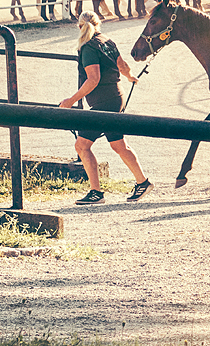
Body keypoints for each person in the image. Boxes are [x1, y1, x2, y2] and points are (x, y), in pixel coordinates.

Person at [59, 11, 149, 204]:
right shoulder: (107, 41)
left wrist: (71, 100)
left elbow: (93, 79)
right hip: (116, 97)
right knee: (118, 144)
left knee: (82, 145)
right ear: (98, 24)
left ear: (80, 27)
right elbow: (122, 65)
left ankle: (96, 192)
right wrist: (130, 77)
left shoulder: (89, 47)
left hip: (103, 104)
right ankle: (143, 182)